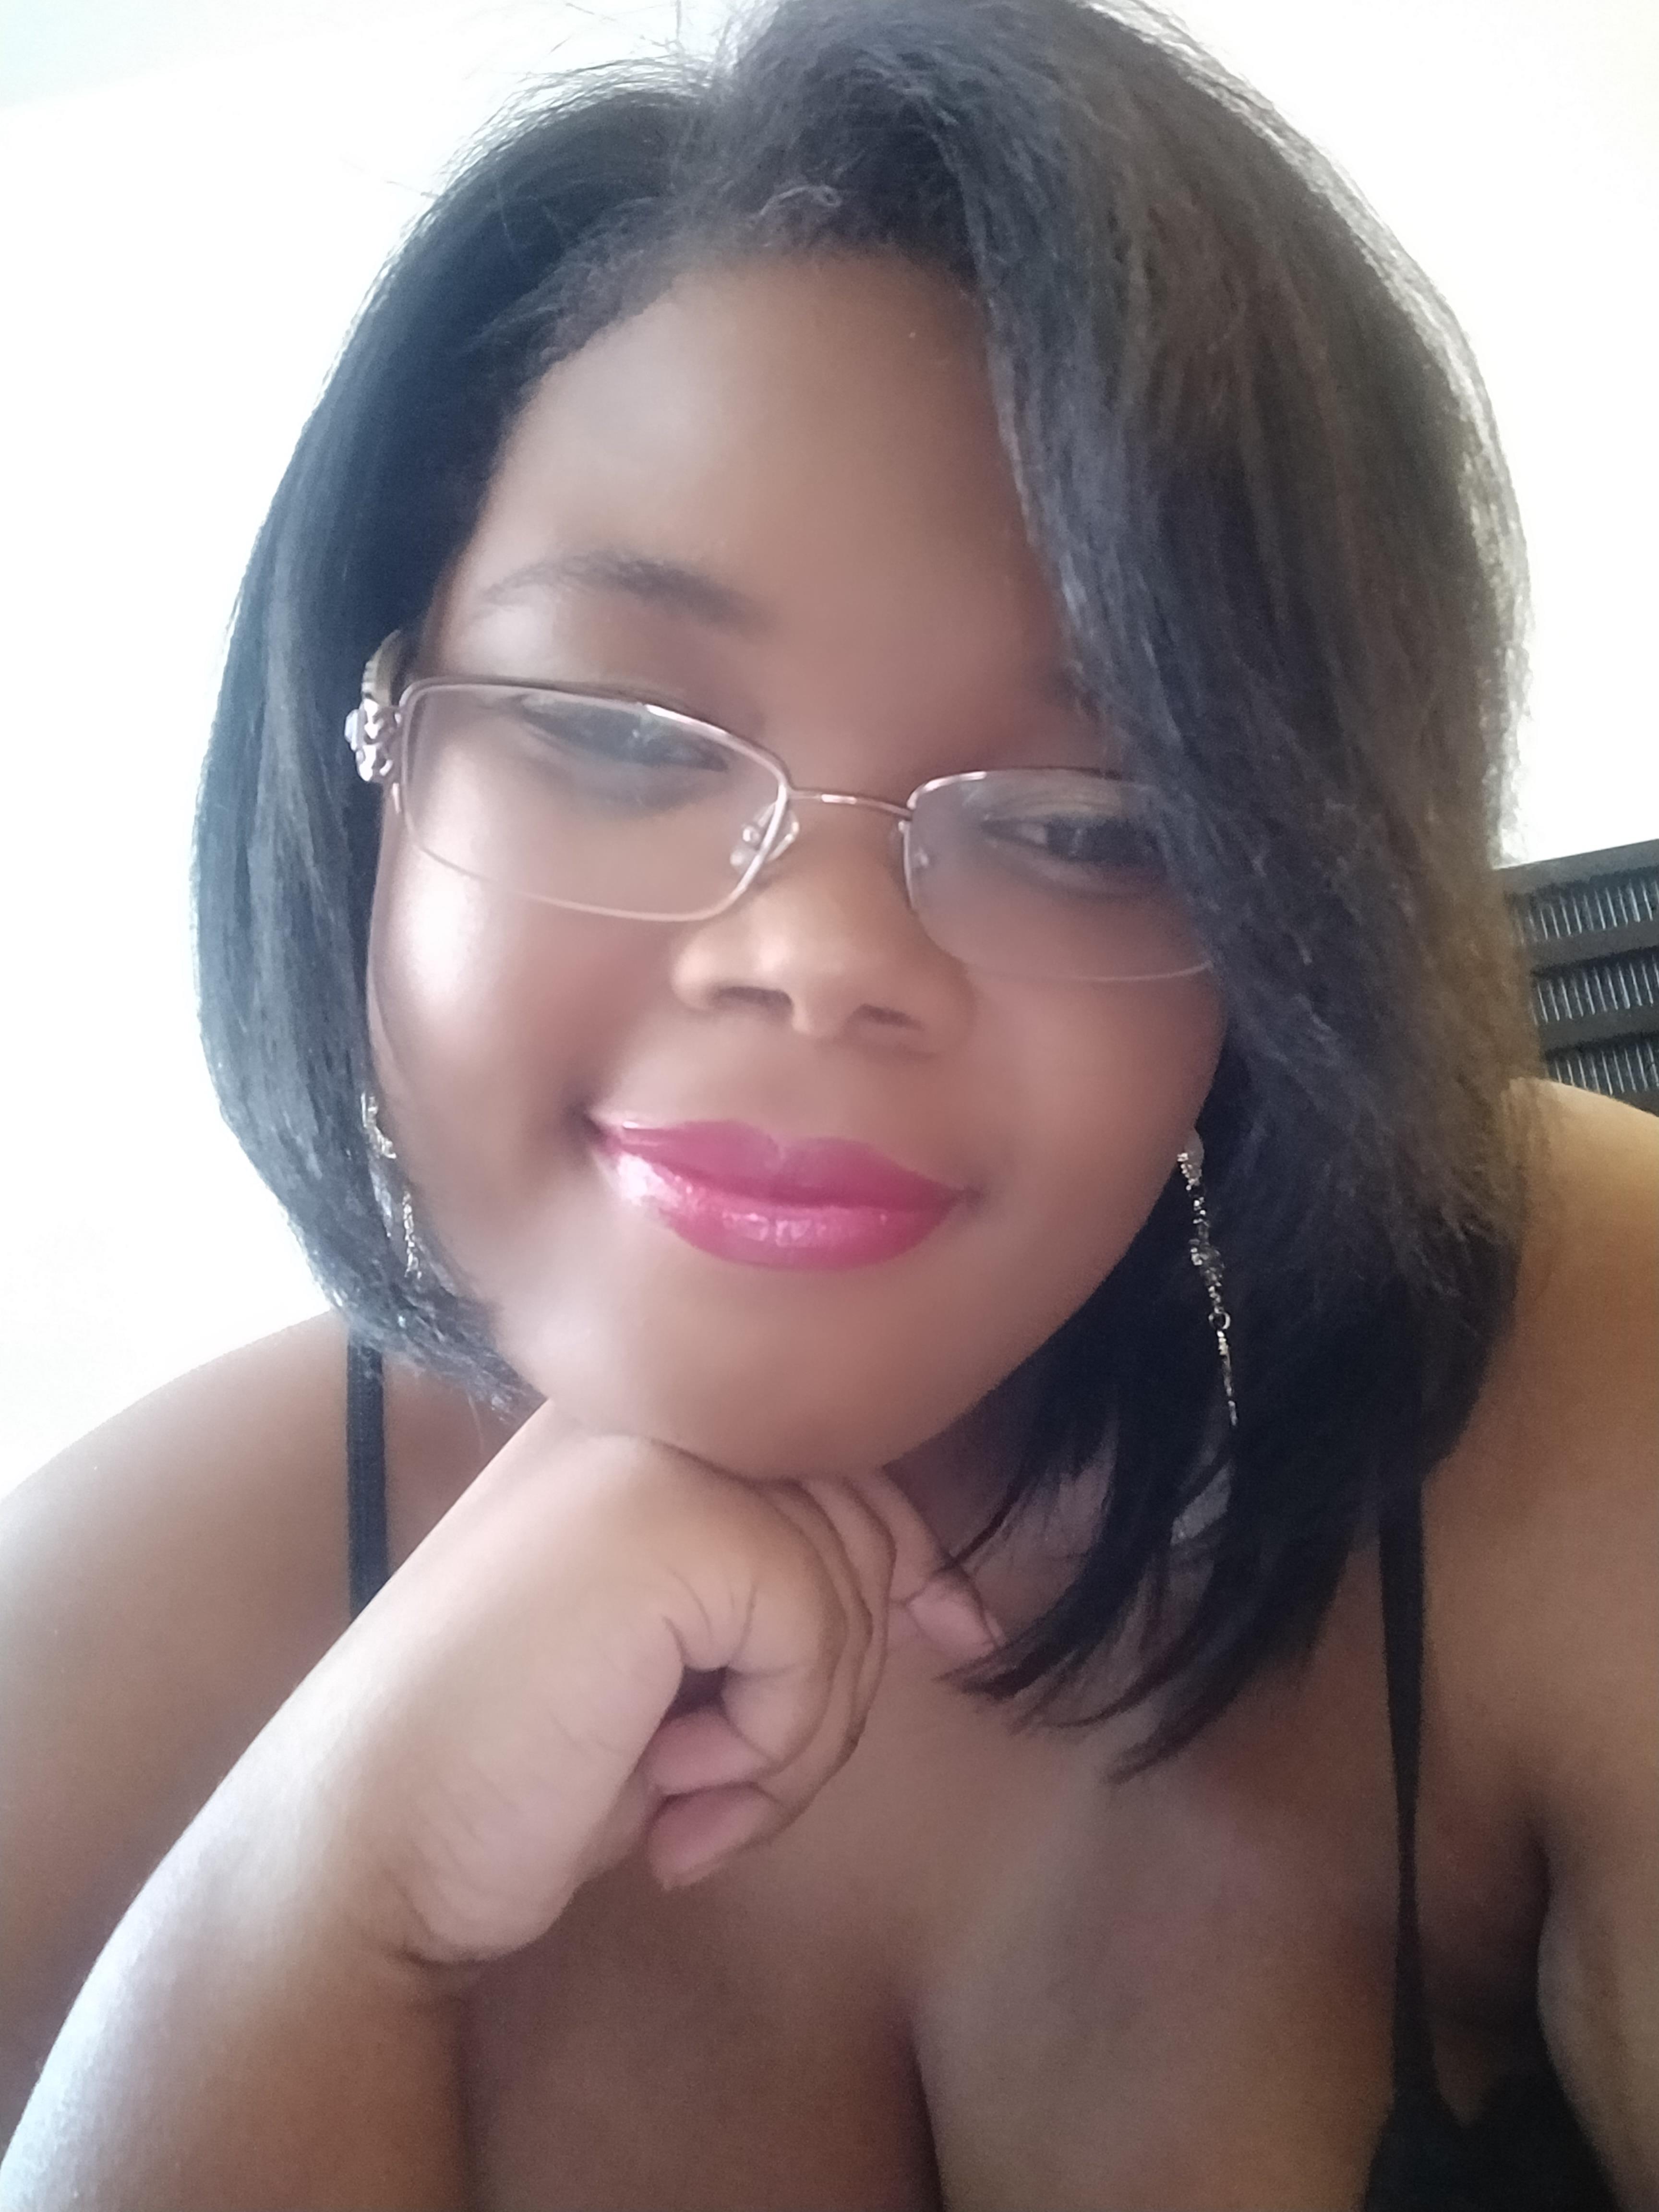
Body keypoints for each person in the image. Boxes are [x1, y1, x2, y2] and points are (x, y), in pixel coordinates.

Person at [0, 0, 1653, 2202]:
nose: (822, 952)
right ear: (372, 744)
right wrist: (307, 1893)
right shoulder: (85, 1637)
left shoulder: (1575, 1360)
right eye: (617, 733)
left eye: (1084, 822)